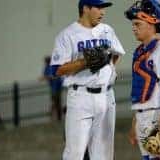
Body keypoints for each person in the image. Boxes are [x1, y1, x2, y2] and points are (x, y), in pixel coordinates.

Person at [49, 0, 125, 159]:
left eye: (104, 8)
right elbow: (56, 70)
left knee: (104, 154)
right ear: (85, 8)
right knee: (75, 153)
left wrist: (110, 68)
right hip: (81, 97)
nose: (103, 12)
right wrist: (84, 62)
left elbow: (117, 52)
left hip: (106, 96)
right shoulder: (67, 35)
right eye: (98, 7)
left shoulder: (107, 30)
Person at [125, 0, 160, 159]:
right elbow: (141, 91)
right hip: (142, 115)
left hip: (157, 114)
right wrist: (135, 122)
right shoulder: (139, 51)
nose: (134, 28)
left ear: (151, 23)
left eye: (137, 23)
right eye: (133, 24)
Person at [39, 55, 63, 121]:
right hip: (54, 87)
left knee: (55, 102)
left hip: (56, 87)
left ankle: (55, 116)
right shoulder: (49, 67)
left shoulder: (51, 66)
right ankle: (56, 117)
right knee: (56, 102)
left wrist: (45, 78)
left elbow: (52, 76)